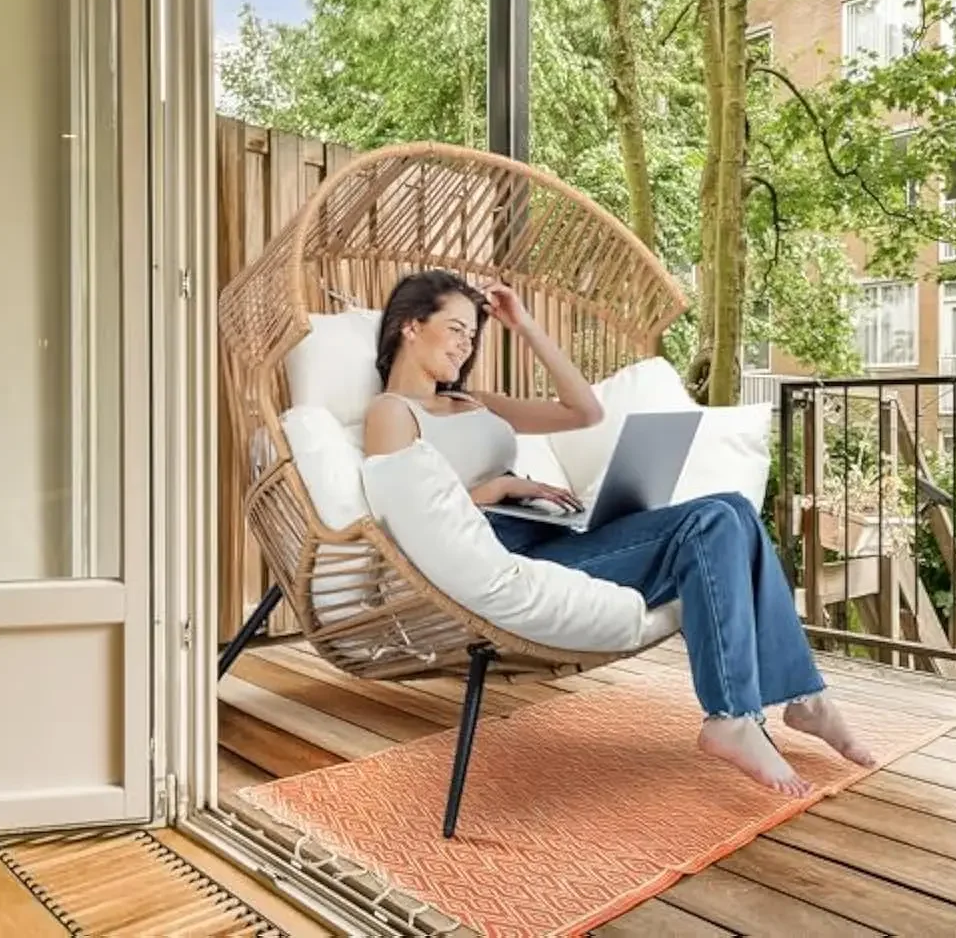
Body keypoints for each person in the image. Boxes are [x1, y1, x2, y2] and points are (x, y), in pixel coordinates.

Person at [363, 269, 874, 797]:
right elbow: (411, 512)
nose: (465, 345)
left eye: (473, 335)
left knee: (734, 508)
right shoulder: (391, 412)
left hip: (549, 534)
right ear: (410, 326)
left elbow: (584, 411)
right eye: (455, 329)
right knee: (711, 523)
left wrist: (526, 325)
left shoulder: (477, 403)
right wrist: (501, 488)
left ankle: (804, 697)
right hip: (502, 556)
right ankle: (731, 716)